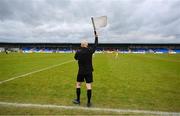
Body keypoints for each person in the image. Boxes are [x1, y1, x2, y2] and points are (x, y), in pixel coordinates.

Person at [73, 32, 98, 107]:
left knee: (78, 84)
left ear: (81, 45)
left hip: (81, 71)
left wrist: (80, 51)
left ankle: (78, 100)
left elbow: (75, 58)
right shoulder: (90, 51)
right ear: (86, 45)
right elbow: (95, 45)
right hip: (89, 71)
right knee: (89, 86)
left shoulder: (78, 51)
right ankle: (88, 102)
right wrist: (96, 37)